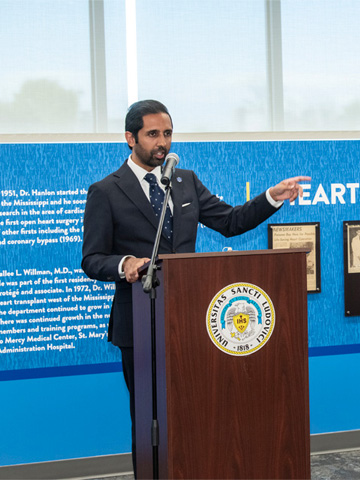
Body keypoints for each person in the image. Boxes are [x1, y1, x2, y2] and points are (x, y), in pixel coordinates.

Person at [81, 99, 311, 475]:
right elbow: (92, 259)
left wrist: (272, 197)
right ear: (130, 138)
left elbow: (232, 221)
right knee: (150, 420)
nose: (162, 143)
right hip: (139, 325)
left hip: (191, 322)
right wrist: (127, 265)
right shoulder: (106, 191)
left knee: (194, 414)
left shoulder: (185, 180)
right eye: (153, 134)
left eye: (167, 134)